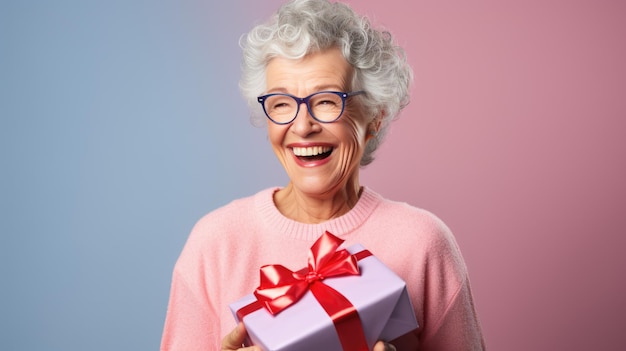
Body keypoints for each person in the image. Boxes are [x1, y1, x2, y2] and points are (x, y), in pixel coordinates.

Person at [160, 0, 485, 350]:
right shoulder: (215, 243)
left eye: (327, 101)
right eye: (281, 103)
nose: (302, 126)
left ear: (374, 116)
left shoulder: (423, 242)